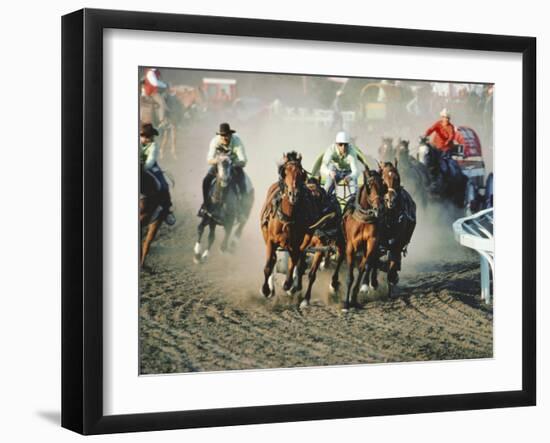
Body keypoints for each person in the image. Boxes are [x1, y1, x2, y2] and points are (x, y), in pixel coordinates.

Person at [199, 123, 248, 216]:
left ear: (230, 135)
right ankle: (205, 205)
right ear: (219, 135)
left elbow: (243, 161)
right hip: (219, 164)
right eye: (222, 135)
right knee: (206, 181)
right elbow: (209, 160)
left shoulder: (237, 141)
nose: (225, 138)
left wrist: (232, 162)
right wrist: (218, 160)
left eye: (227, 135)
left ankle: (242, 208)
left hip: (234, 165)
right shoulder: (215, 142)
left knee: (242, 182)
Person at [139, 123, 176, 225]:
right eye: (143, 136)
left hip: (149, 167)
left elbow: (151, 160)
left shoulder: (154, 146)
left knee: (163, 185)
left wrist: (142, 167)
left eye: (148, 136)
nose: (146, 138)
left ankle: (167, 209)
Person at [320, 131, 361, 195]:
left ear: (348, 144)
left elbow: (356, 171)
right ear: (336, 144)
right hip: (334, 170)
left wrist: (350, 177)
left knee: (355, 194)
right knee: (326, 191)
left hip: (349, 171)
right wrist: (329, 173)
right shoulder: (331, 150)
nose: (343, 147)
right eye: (340, 144)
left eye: (345, 144)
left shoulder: (352, 152)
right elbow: (323, 167)